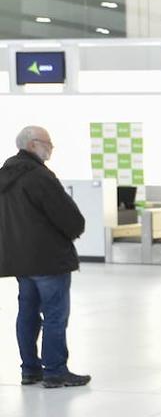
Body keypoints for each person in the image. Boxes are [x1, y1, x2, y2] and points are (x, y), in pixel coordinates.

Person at [0, 126, 89, 388]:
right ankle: (55, 370)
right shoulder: (39, 176)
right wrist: (76, 229)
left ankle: (30, 369)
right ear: (31, 145)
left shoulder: (5, 176)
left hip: (20, 260)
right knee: (55, 315)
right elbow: (67, 215)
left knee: (27, 312)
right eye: (47, 143)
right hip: (49, 259)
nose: (51, 148)